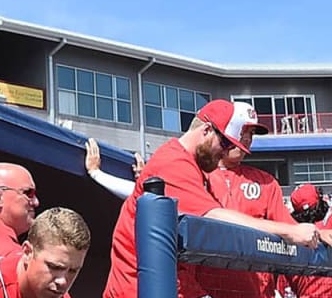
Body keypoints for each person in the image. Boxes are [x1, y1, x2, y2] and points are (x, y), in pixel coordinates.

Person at [104, 100, 322, 298]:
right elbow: (214, 218)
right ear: (207, 130)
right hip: (138, 289)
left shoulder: (193, 166)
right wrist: (289, 231)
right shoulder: (173, 161)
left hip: (170, 284)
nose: (226, 151)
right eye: (225, 143)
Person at [194, 107, 286, 298]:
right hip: (206, 290)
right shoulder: (193, 174)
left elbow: (290, 231)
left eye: (251, 133)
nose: (247, 138)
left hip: (257, 291)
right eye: (243, 131)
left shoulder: (266, 181)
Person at [0, 207, 90, 298]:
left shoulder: (58, 295)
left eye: (73, 271)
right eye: (54, 267)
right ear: (27, 252)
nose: (63, 281)